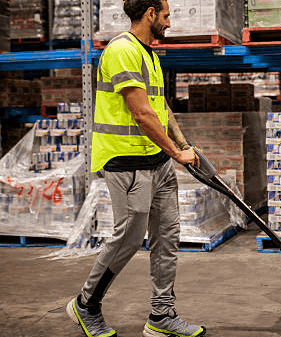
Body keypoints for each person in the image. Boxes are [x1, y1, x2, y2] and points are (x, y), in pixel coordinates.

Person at [65, 1, 206, 336]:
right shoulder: (121, 51)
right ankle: (86, 305)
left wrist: (183, 144)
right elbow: (142, 115)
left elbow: (160, 107)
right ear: (150, 14)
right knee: (127, 239)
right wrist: (176, 153)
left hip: (156, 163)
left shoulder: (150, 55)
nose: (170, 23)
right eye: (167, 16)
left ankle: (161, 316)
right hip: (126, 163)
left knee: (168, 238)